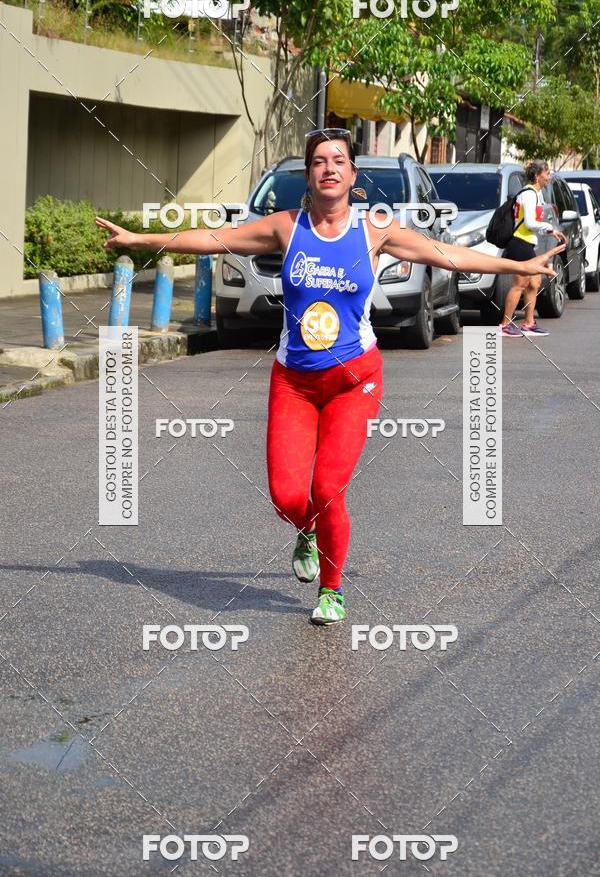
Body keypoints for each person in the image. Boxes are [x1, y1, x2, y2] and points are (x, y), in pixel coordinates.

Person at [96, 129, 565, 625]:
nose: (329, 168)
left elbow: (445, 254)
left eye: (338, 160)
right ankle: (309, 530)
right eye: (319, 160)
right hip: (294, 381)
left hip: (353, 381)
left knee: (327, 489)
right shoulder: (285, 226)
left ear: (352, 174)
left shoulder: (374, 230)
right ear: (310, 173)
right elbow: (215, 239)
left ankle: (332, 589)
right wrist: (142, 239)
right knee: (287, 496)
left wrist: (516, 262)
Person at [500, 161, 566, 338]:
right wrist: (550, 229)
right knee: (520, 284)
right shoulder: (528, 194)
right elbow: (529, 222)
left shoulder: (537, 193)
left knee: (534, 282)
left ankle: (529, 323)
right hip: (520, 243)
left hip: (527, 243)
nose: (549, 176)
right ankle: (505, 324)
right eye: (547, 173)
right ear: (537, 176)